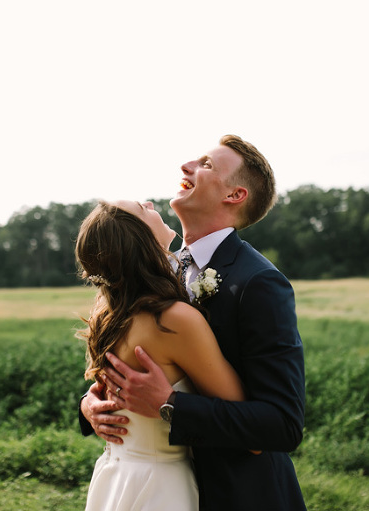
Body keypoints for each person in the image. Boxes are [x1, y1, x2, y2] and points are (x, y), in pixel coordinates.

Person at [79, 135, 307, 510]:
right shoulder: (156, 273)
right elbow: (134, 365)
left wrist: (170, 406)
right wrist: (90, 405)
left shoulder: (258, 282)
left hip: (238, 496)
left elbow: (282, 424)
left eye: (206, 165)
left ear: (234, 195)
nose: (187, 166)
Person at [76, 199, 253, 510]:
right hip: (159, 487)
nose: (151, 202)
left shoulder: (106, 315)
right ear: (140, 239)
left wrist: (86, 402)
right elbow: (245, 426)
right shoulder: (173, 320)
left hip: (114, 476)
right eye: (143, 208)